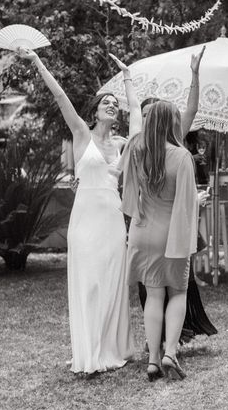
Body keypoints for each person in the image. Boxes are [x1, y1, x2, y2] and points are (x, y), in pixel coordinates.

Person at [17, 48, 141, 375]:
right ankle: (89, 351)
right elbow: (59, 96)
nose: (112, 106)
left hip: (113, 222)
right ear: (95, 111)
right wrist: (37, 62)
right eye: (106, 102)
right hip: (84, 221)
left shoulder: (123, 143)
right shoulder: (80, 134)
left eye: (116, 104)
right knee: (88, 285)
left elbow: (139, 113)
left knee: (113, 285)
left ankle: (112, 349)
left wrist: (127, 77)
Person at [121, 100, 199, 382]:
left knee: (153, 295)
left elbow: (126, 186)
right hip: (171, 232)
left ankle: (153, 360)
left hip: (142, 230)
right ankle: (170, 351)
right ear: (171, 123)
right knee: (178, 292)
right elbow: (187, 203)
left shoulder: (136, 150)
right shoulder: (181, 156)